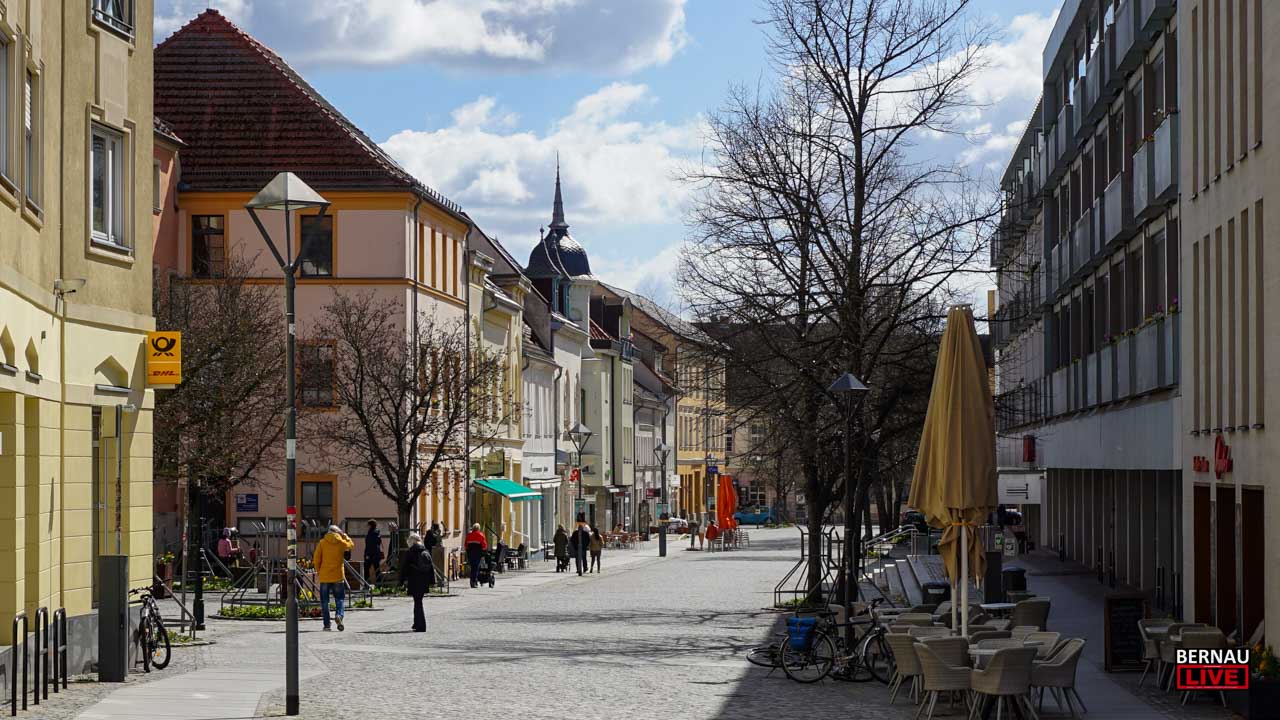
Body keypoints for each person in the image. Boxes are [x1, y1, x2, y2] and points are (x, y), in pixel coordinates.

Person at [313, 525, 354, 631]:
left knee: (324, 601)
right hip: (338, 576)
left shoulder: (322, 543)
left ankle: (327, 625)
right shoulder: (341, 542)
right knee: (339, 599)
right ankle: (339, 615)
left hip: (325, 576)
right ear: (338, 533)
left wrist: (319, 571)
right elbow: (351, 545)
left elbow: (316, 559)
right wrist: (345, 536)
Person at [398, 532, 433, 632]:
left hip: (414, 580)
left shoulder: (411, 552)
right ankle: (416, 623)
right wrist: (432, 581)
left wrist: (401, 581)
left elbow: (405, 567)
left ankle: (421, 625)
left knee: (418, 603)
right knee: (418, 601)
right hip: (424, 580)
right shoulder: (425, 550)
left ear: (411, 542)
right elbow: (431, 567)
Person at [464, 523, 488, 588]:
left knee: (472, 567)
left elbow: (465, 545)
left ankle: (473, 580)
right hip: (477, 554)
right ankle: (473, 581)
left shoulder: (469, 535)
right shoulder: (481, 535)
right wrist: (483, 551)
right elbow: (484, 546)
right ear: (478, 528)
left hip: (470, 553)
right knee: (476, 567)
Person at [363, 520, 383, 585]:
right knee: (377, 570)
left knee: (366, 569)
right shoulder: (377, 533)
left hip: (370, 555)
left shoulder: (371, 534)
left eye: (367, 525)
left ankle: (366, 584)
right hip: (376, 554)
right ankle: (379, 584)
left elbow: (370, 545)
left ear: (370, 526)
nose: (366, 526)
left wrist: (367, 555)